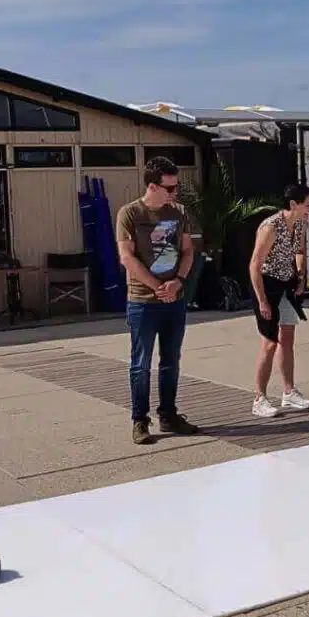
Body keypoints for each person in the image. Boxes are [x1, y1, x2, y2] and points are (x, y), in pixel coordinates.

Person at [115, 156, 199, 445]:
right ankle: (140, 420)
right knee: (141, 362)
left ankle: (169, 414)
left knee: (171, 360)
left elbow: (187, 251)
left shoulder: (178, 213)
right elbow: (127, 257)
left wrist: (178, 283)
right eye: (170, 188)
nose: (174, 194)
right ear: (153, 186)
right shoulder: (129, 214)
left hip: (174, 299)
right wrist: (158, 287)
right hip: (142, 301)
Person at [248, 183, 309, 417]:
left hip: (287, 284)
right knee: (269, 343)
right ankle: (259, 397)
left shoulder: (300, 224)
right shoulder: (271, 227)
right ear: (293, 204)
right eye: (307, 206)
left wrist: (300, 276)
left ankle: (289, 392)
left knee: (287, 338)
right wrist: (262, 301)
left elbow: (299, 251)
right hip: (267, 286)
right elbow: (255, 264)